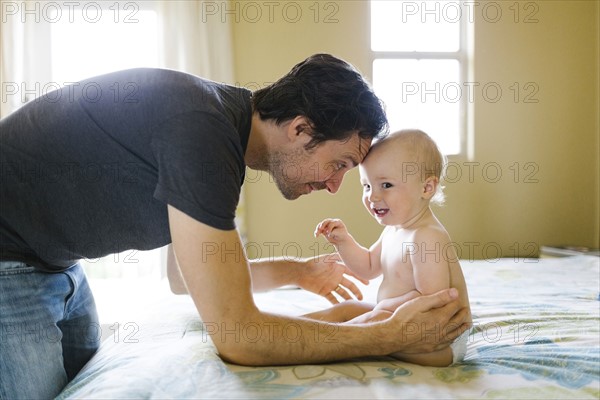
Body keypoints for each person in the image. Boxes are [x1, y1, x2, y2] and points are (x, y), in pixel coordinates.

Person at [0, 54, 469, 398]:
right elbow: (239, 338)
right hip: (8, 260)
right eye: (340, 163)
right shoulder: (200, 134)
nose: (334, 186)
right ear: (301, 129)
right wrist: (388, 335)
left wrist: (297, 272)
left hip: (55, 264)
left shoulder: (217, 136)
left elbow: (184, 278)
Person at [304, 130, 472, 367]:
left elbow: (433, 301)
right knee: (349, 308)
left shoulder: (426, 237)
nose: (373, 197)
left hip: (438, 340)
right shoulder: (395, 229)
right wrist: (344, 241)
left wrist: (383, 310)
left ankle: (322, 343)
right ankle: (292, 327)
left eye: (386, 185)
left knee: (373, 319)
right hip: (399, 321)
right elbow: (369, 267)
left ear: (426, 188)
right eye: (367, 186)